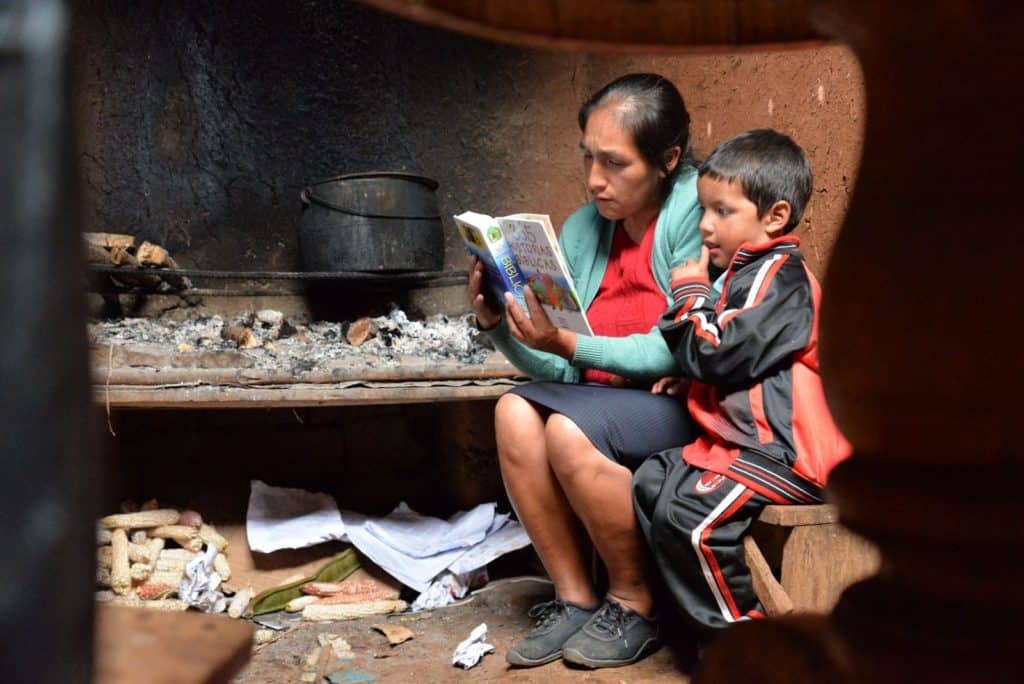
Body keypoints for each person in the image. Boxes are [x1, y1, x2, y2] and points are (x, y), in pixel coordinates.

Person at [467, 73, 704, 669]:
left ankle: (634, 601)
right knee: (514, 411)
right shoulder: (579, 229)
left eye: (615, 163)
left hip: (680, 398)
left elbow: (678, 347)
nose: (595, 179)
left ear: (667, 160)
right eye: (589, 157)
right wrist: (501, 326)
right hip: (604, 401)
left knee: (569, 431)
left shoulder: (694, 211)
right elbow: (558, 362)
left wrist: (571, 344)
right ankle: (574, 597)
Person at [633, 129, 852, 635]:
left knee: (695, 523)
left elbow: (718, 351)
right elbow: (747, 363)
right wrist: (690, 382)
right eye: (703, 210)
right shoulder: (744, 276)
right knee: (650, 482)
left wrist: (688, 294)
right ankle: (684, 625)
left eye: (722, 212)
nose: (706, 226)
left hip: (784, 455)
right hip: (740, 446)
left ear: (775, 216)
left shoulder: (784, 277)